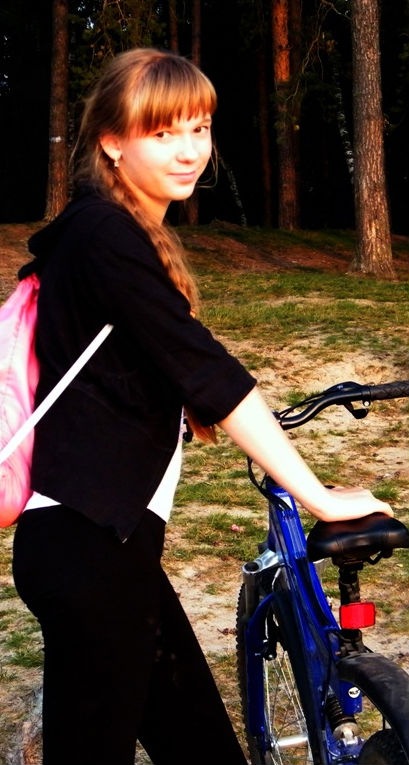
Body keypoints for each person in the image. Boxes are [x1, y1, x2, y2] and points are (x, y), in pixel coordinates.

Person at [12, 48, 392, 765]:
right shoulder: (103, 234)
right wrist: (317, 493)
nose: (189, 151)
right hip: (88, 551)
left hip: (107, 550)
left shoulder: (106, 231)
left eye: (199, 128)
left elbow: (159, 368)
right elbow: (205, 370)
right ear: (112, 142)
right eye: (162, 133)